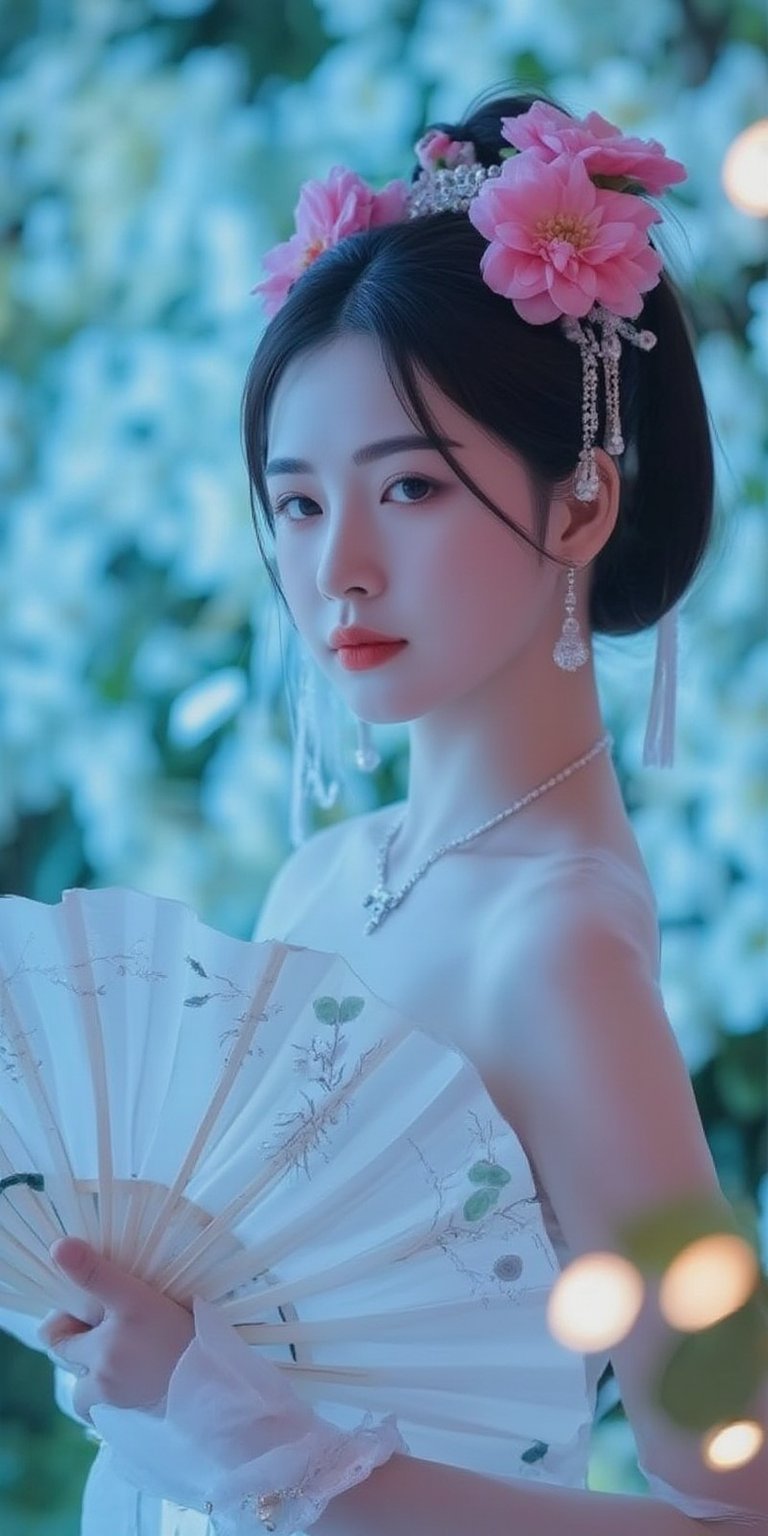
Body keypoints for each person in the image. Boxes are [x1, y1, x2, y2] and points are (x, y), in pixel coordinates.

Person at [11, 88, 768, 1535]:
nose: (338, 567)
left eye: (409, 487)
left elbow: (741, 1501)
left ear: (583, 505)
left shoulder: (556, 954)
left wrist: (286, 1458)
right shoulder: (328, 877)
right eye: (296, 505)